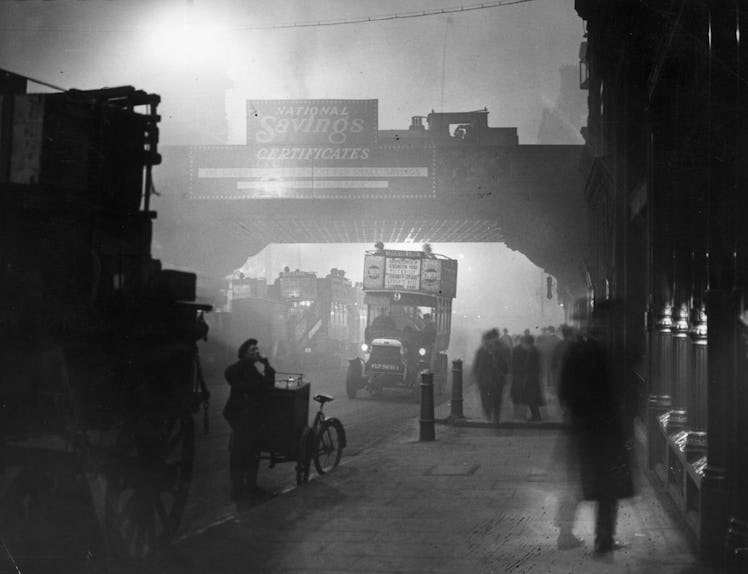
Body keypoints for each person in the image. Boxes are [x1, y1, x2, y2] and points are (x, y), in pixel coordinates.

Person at [558, 302, 634, 554]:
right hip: (604, 430)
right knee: (604, 487)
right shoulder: (609, 351)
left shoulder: (577, 348)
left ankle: (569, 533)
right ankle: (602, 540)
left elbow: (564, 390)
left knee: (581, 482)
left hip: (583, 428)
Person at [223, 338, 276, 500]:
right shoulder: (238, 368)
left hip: (253, 418)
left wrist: (266, 364)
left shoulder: (253, 370)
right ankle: (239, 488)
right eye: (253, 350)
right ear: (245, 353)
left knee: (252, 453)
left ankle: (250, 487)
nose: (257, 352)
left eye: (257, 349)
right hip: (242, 417)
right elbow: (232, 376)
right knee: (240, 453)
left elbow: (267, 384)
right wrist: (251, 390)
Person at [512, 334, 543, 421]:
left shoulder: (535, 351)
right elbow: (514, 365)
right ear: (522, 343)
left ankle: (536, 416)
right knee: (519, 397)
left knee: (532, 398)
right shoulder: (516, 350)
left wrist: (533, 376)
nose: (528, 347)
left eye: (530, 345)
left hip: (531, 379)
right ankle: (520, 416)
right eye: (526, 345)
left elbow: (537, 366)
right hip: (519, 378)